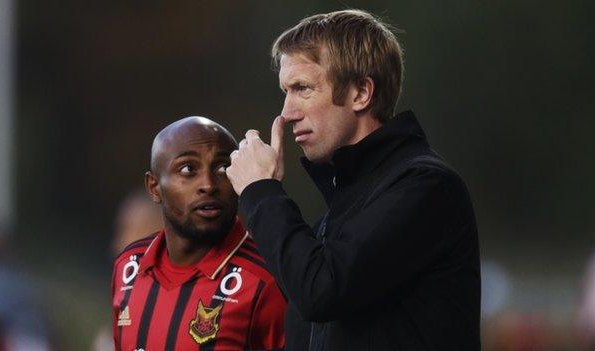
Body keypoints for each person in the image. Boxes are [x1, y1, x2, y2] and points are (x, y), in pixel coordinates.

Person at [226, 9, 481, 351]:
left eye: (302, 88)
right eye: (286, 91)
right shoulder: (341, 209)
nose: (286, 112)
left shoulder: (426, 186)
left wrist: (261, 192)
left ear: (361, 92)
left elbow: (322, 291)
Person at [112, 116, 286, 351]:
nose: (208, 184)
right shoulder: (128, 266)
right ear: (154, 187)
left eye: (223, 168)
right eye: (188, 169)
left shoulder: (265, 280)